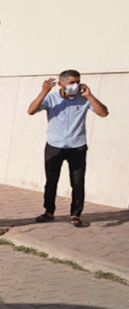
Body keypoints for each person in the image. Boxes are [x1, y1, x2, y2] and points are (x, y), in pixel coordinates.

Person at [27, 69, 109, 227]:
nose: (75, 85)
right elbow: (31, 111)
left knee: (77, 182)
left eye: (77, 82)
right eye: (71, 82)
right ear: (61, 84)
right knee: (51, 181)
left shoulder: (83, 99)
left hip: (77, 146)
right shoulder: (51, 99)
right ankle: (49, 211)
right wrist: (43, 92)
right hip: (54, 145)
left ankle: (76, 214)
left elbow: (103, 113)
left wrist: (89, 96)